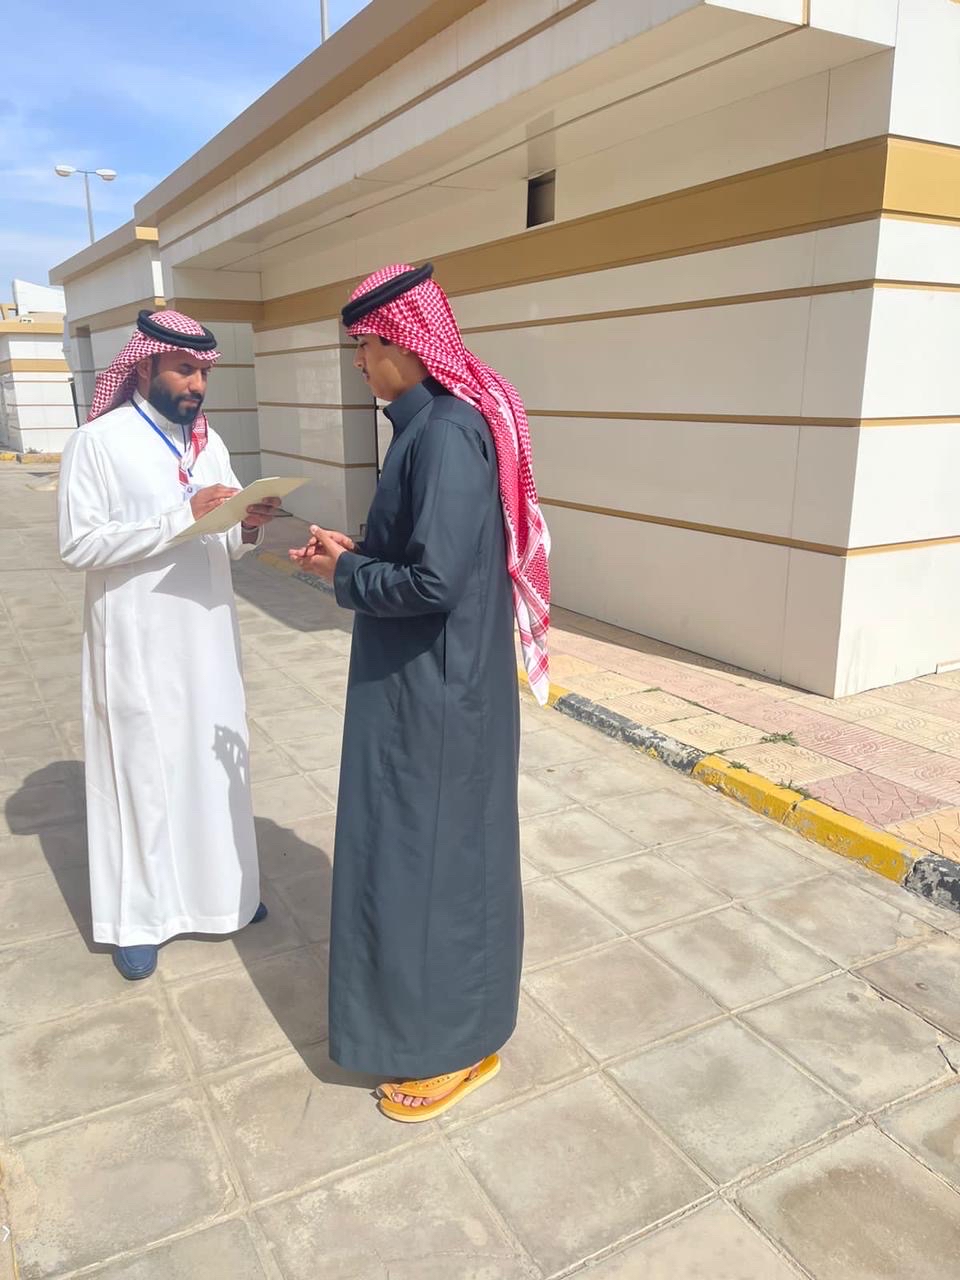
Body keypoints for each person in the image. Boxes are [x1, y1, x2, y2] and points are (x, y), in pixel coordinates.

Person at [291, 263, 550, 1121]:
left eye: (364, 346)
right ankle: (444, 1029)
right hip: (423, 683)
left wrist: (345, 575)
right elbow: (421, 553)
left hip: (438, 695)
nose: (359, 363)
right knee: (420, 862)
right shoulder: (427, 427)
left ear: (403, 342)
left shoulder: (443, 431)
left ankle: (455, 1049)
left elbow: (434, 582)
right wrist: (356, 554)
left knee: (434, 868)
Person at [58, 309, 280, 980]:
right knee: (143, 774)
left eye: (204, 373)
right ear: (144, 366)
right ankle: (140, 920)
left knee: (209, 765)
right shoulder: (97, 442)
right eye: (185, 370)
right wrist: (178, 518)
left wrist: (248, 525)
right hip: (136, 640)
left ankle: (225, 895)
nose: (197, 386)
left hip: (207, 636)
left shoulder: (210, 444)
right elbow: (78, 545)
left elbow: (229, 547)